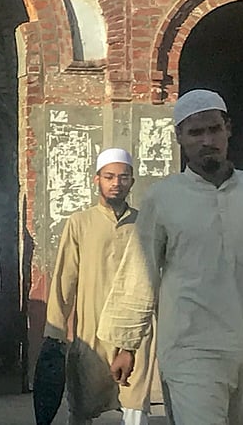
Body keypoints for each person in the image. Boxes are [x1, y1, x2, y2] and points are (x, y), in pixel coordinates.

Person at [98, 89, 243, 424]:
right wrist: (128, 344)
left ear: (228, 129)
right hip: (189, 349)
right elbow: (140, 271)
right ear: (179, 138)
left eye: (214, 129)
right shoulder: (164, 198)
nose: (207, 140)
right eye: (195, 132)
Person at [44, 149, 155, 425]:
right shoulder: (80, 223)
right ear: (97, 180)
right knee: (82, 402)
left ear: (132, 181)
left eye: (123, 177)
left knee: (135, 402)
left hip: (136, 327)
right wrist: (54, 332)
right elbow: (64, 279)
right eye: (109, 176)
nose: (116, 182)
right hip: (91, 328)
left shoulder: (146, 224)